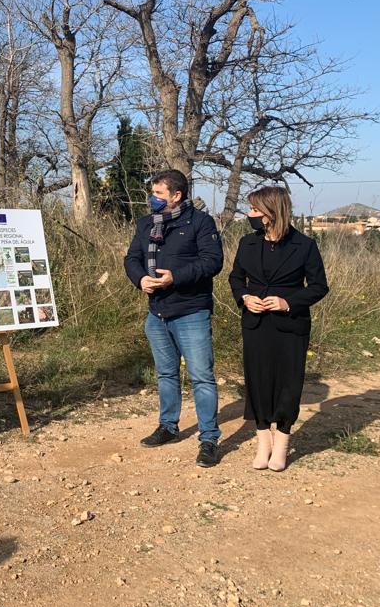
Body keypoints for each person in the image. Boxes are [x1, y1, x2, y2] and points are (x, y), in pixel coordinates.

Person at [124, 169, 225, 467]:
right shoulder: (145, 224)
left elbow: (212, 262)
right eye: (153, 193)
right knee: (166, 375)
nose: (152, 199)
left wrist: (175, 277)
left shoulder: (201, 223)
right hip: (157, 312)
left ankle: (209, 439)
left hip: (191, 311)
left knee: (202, 377)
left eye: (158, 194)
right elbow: (131, 258)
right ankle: (168, 426)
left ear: (176, 195)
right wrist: (140, 278)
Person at [228, 186, 329, 471]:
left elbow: (320, 286)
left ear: (271, 213)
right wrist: (245, 297)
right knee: (257, 381)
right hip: (255, 323)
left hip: (290, 325)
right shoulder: (247, 242)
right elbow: (236, 278)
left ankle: (282, 440)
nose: (249, 214)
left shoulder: (305, 245)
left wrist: (288, 302)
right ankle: (264, 441)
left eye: (255, 210)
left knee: (288, 382)